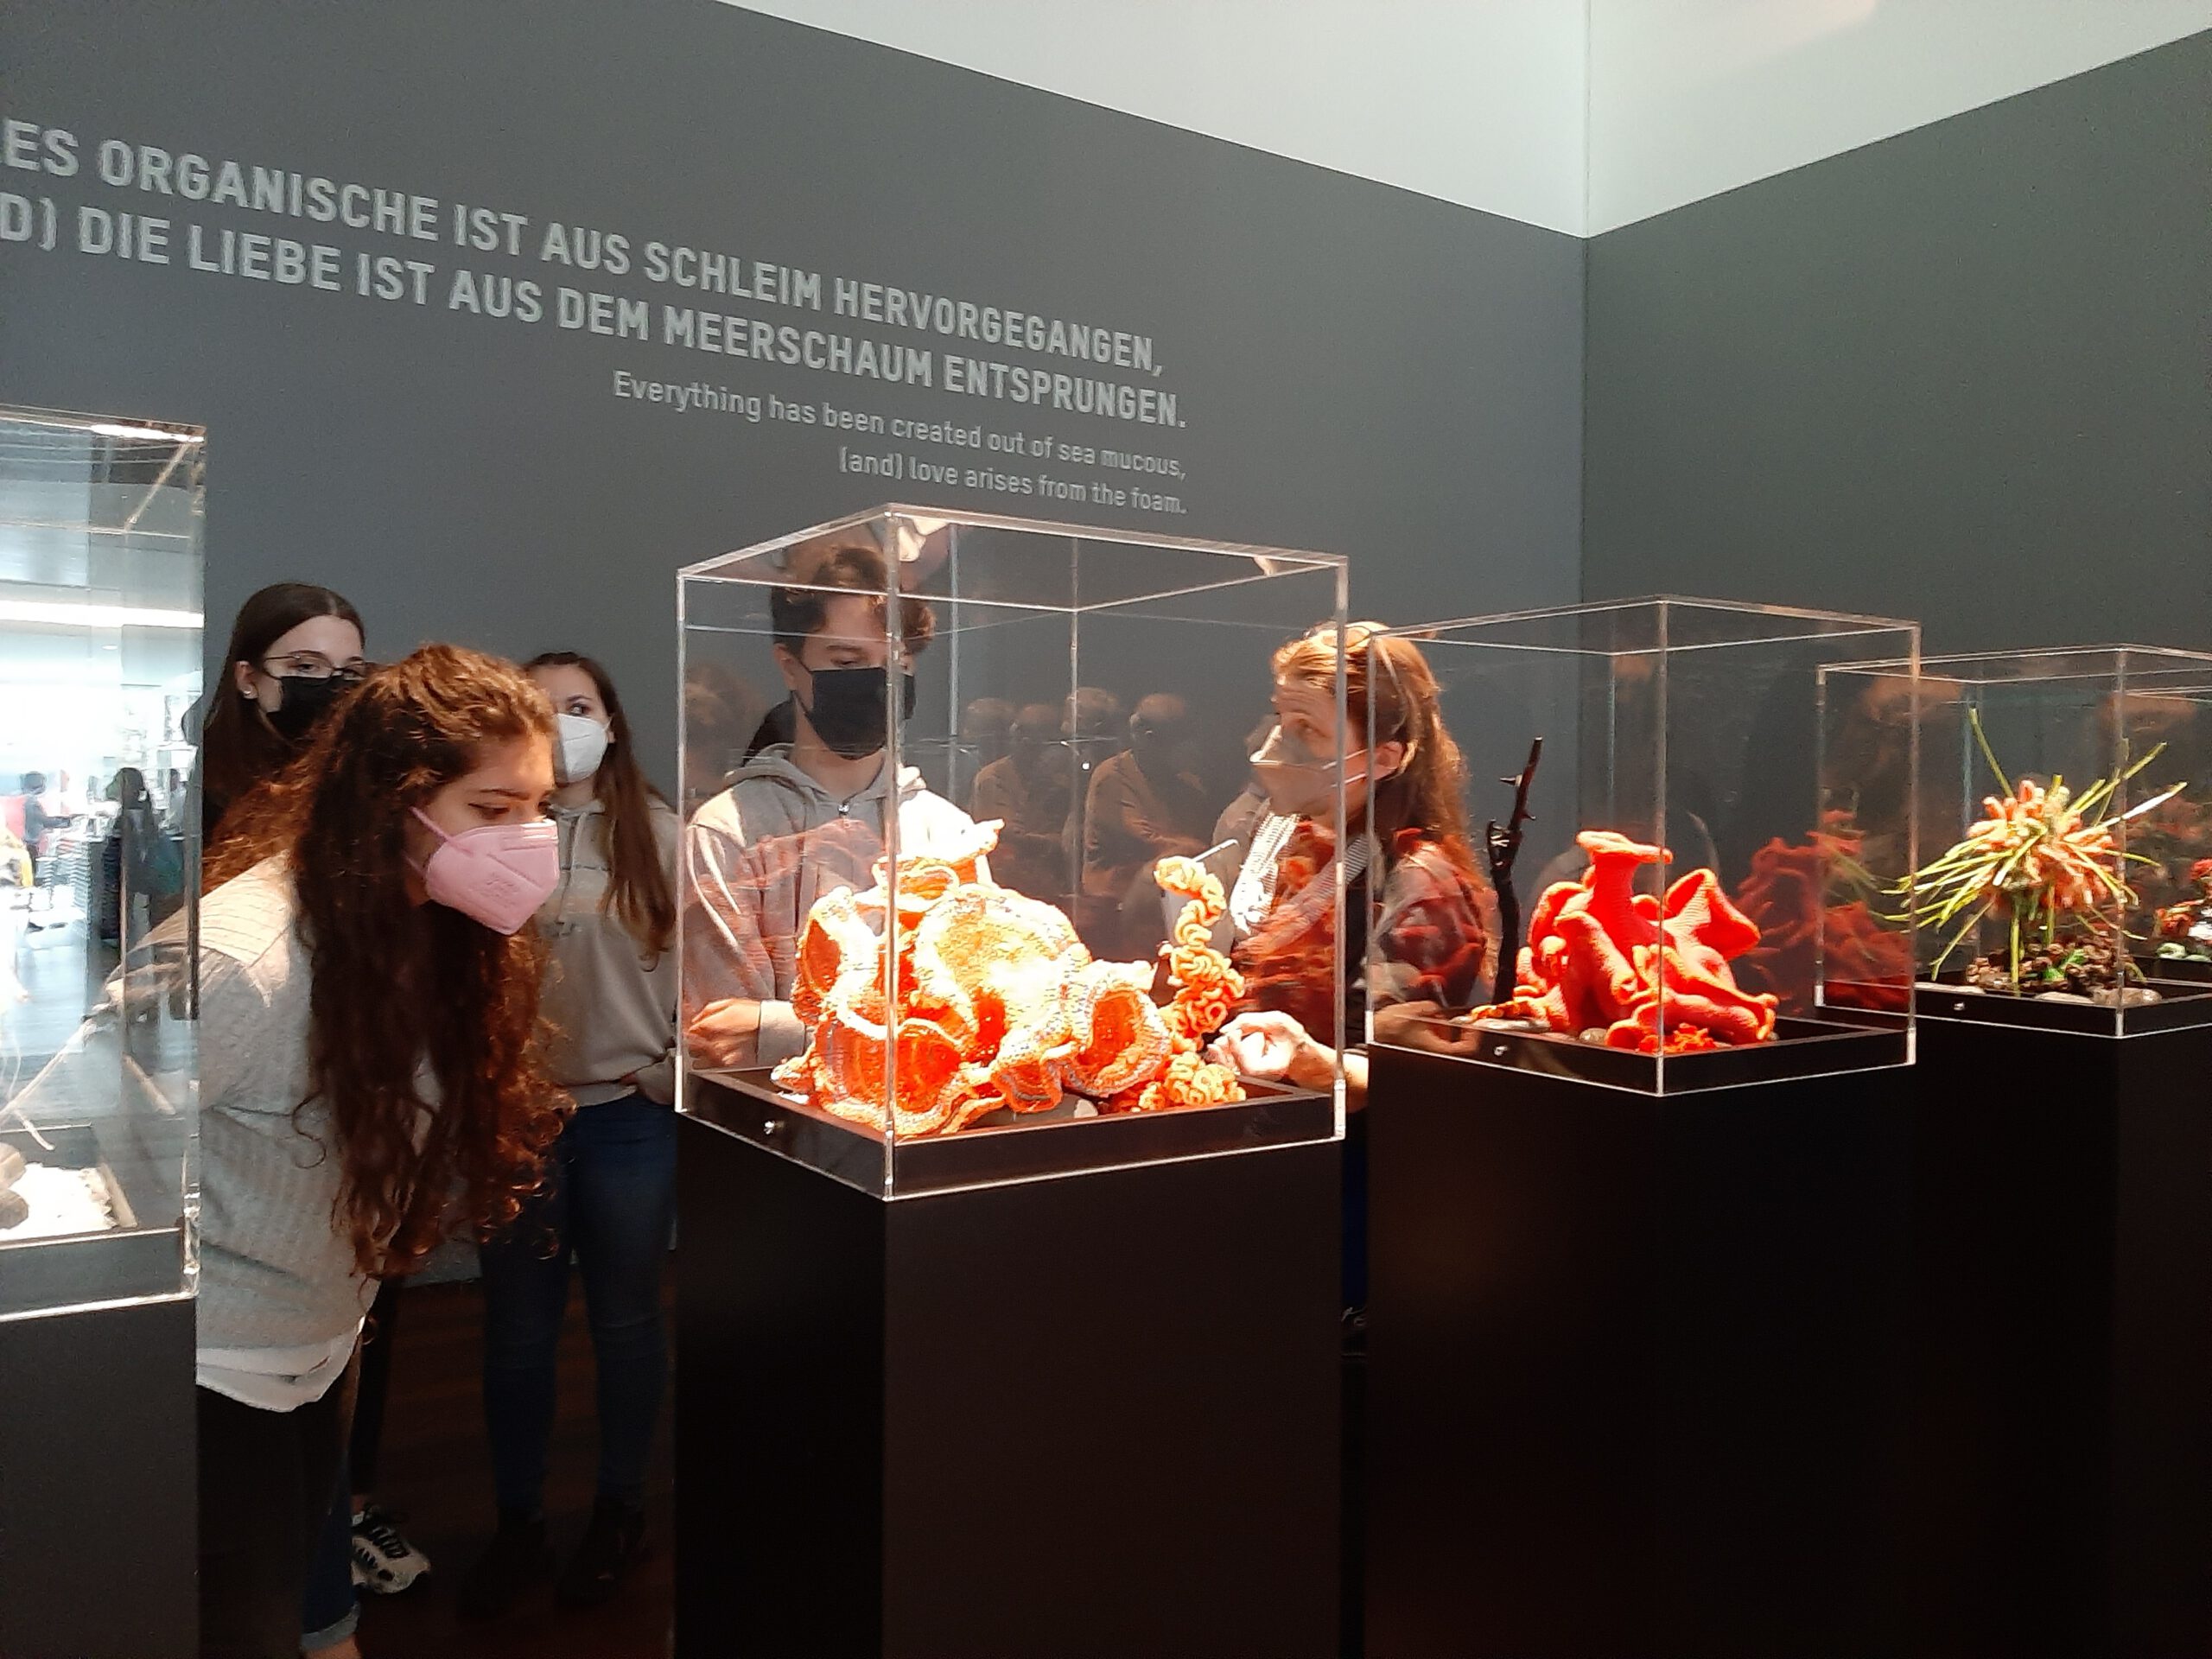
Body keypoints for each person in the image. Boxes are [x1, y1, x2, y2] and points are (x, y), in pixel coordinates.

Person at [18, 645, 567, 1659]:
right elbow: (52, 1136)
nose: (528, 839)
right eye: (493, 809)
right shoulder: (241, 956)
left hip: (316, 1349)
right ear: (395, 801)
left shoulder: (430, 930)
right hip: (212, 1373)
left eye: (540, 806)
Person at [459, 652, 680, 1619]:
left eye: (578, 706)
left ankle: (621, 1510)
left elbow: (712, 969)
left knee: (628, 1324)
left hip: (630, 1118)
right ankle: (518, 1523)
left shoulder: (661, 837)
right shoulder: (487, 833)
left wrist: (665, 1075)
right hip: (519, 1120)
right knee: (517, 1332)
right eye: (540, 709)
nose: (562, 723)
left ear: (612, 721)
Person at [684, 538, 976, 1071]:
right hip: (775, 1117)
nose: (879, 682)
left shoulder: (949, 832)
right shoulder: (726, 830)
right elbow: (721, 1038)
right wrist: (902, 1032)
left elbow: (970, 1021)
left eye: (897, 662)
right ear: (790, 666)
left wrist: (778, 1029)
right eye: (847, 661)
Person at [1214, 622, 1496, 1107]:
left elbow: (1411, 1074)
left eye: (1308, 729)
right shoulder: (1280, 831)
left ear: (1383, 758)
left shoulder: (1422, 883)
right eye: (1281, 718)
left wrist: (1310, 1062)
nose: (1273, 745)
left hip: (1330, 1139)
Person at [199, 582, 369, 840]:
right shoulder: (201, 789)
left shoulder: (363, 778)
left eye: (350, 671)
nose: (334, 685)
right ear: (248, 679)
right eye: (306, 666)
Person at [1080, 693, 1213, 957]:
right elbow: (1146, 840)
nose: (1192, 749)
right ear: (1149, 738)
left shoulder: (1187, 783)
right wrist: (1196, 847)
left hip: (1170, 900)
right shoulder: (1112, 776)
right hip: (1117, 905)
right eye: (1182, 740)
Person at [969, 700, 1074, 902]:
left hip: (1057, 879)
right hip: (1005, 882)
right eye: (1020, 733)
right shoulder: (993, 778)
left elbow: (1073, 837)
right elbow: (1009, 835)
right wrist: (1050, 841)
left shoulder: (1067, 777)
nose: (1025, 741)